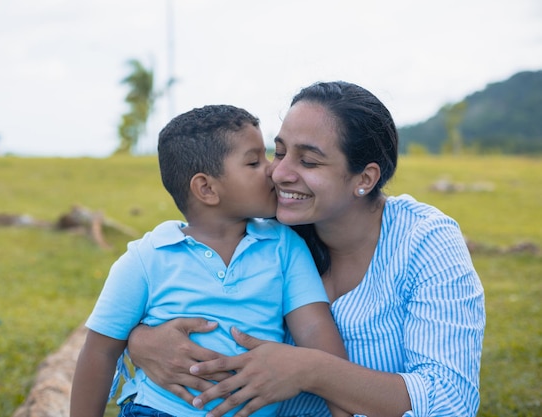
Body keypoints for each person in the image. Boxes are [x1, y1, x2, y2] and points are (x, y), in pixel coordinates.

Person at [126, 82, 486, 417]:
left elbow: (450, 400)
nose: (279, 173)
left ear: (365, 179)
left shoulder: (424, 241)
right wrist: (139, 340)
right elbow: (164, 288)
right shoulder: (262, 235)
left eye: (308, 161)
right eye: (278, 152)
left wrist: (312, 371)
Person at [70, 104, 348, 417]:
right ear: (206, 188)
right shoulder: (147, 258)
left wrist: (343, 408)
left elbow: (314, 330)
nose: (272, 169)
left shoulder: (283, 246)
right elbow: (100, 351)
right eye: (254, 162)